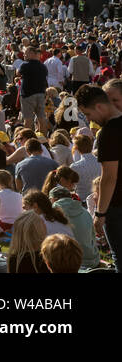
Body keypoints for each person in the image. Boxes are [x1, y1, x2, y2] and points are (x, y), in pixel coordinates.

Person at [74, 84, 121, 258]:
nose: (90, 120)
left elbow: (109, 177)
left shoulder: (108, 132)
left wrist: (100, 214)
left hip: (116, 205)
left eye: (88, 114)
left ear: (99, 107)